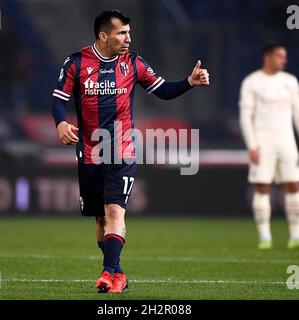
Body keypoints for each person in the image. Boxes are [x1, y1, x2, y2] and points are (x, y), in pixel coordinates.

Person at [51, 10, 209, 293]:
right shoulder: (76, 63)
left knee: (115, 211)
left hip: (122, 150)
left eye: (129, 32)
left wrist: (189, 82)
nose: (128, 38)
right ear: (104, 36)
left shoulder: (133, 63)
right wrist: (61, 122)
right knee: (100, 220)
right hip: (89, 153)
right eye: (121, 33)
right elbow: (58, 99)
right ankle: (118, 274)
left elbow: (162, 91)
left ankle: (107, 272)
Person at [239, 42, 299, 250]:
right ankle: (265, 237)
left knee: (293, 184)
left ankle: (296, 237)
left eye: (285, 56)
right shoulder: (252, 82)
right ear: (267, 56)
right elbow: (245, 116)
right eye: (280, 56)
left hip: (287, 142)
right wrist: (252, 145)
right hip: (263, 142)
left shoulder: (290, 82)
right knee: (262, 186)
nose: (284, 60)